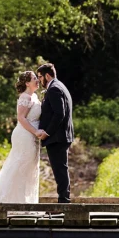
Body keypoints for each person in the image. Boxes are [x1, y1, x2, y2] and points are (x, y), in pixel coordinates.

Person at [0, 71, 44, 203]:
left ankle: (25, 202)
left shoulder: (34, 97)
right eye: (34, 78)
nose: (38, 80)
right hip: (25, 135)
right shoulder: (25, 97)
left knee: (30, 168)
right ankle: (5, 201)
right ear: (27, 83)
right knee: (20, 166)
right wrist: (35, 131)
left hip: (32, 137)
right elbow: (21, 118)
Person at [36, 63, 74, 203]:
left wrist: (47, 132)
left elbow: (59, 114)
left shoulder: (54, 89)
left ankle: (64, 202)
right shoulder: (59, 86)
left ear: (47, 75)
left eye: (40, 77)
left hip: (57, 137)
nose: (39, 81)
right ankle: (64, 200)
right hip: (61, 136)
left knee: (60, 170)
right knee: (61, 169)